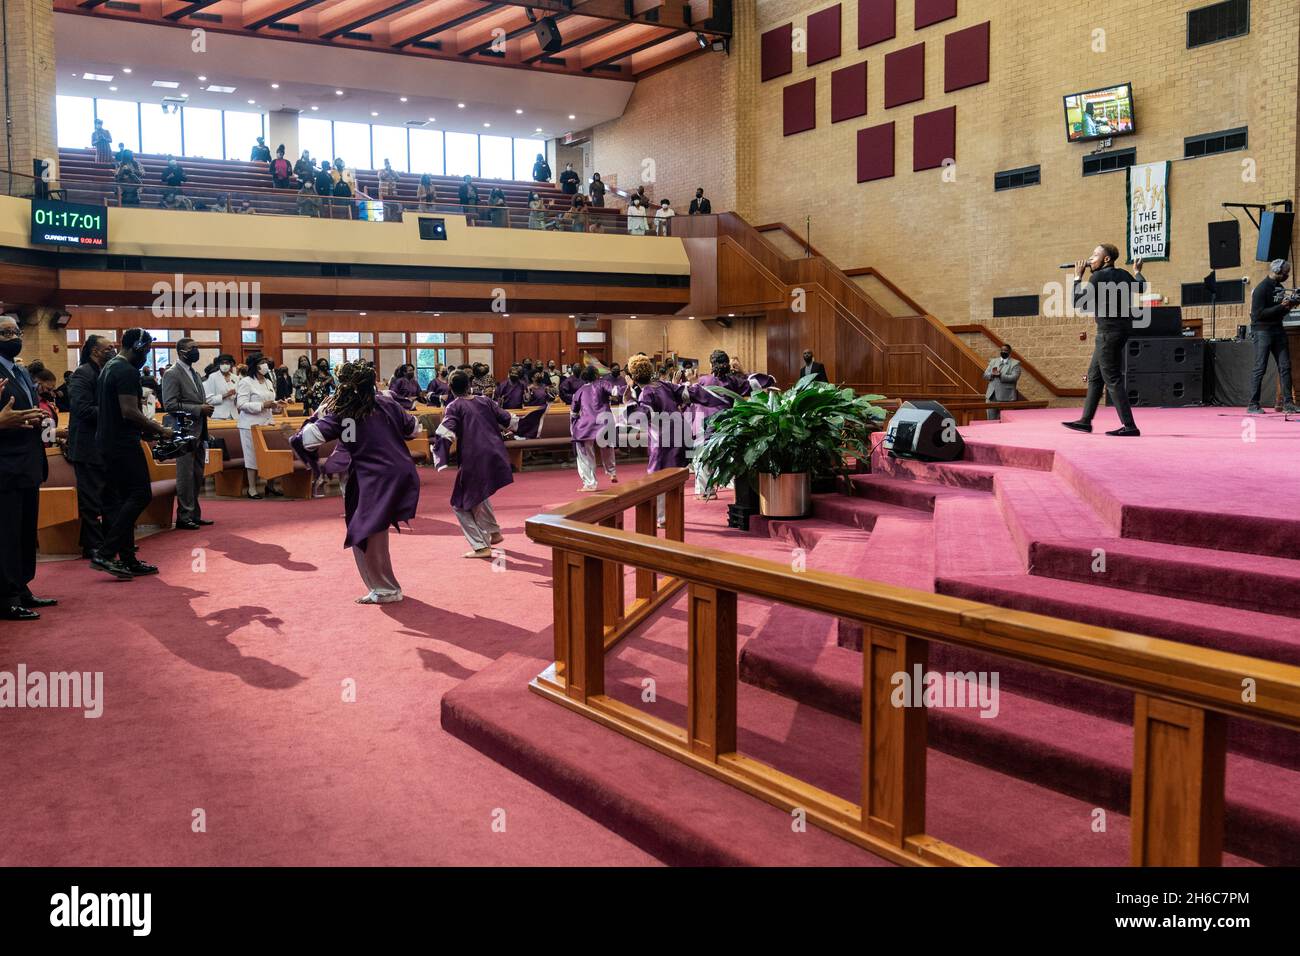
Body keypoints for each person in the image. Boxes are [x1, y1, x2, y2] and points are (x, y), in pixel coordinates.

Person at [293, 362, 420, 602]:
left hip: (371, 476)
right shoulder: (386, 403)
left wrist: (317, 417)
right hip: (398, 470)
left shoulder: (343, 410)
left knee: (366, 529)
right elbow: (413, 429)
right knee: (373, 528)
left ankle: (385, 589)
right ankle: (384, 586)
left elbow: (308, 440)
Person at [93, 328, 174, 580]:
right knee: (140, 494)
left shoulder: (110, 367)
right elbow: (129, 411)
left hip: (108, 442)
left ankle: (127, 559)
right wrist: (160, 429)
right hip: (122, 444)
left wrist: (147, 432)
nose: (147, 354)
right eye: (147, 349)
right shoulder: (126, 370)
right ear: (137, 347)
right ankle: (106, 553)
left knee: (123, 499)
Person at [0, 316, 57, 619]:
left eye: (16, 332)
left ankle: (22, 587)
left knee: (24, 531)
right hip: (6, 465)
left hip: (29, 461)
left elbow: (24, 410)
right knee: (7, 533)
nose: (13, 337)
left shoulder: (20, 370)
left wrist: (35, 418)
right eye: (5, 332)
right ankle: (6, 596)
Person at [1061, 245, 1146, 436]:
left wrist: (1077, 277)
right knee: (1095, 376)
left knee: (1112, 379)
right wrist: (1138, 272)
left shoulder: (1098, 277)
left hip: (1107, 333)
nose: (1090, 259)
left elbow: (1077, 302)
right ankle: (1085, 421)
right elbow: (1142, 287)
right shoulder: (1123, 274)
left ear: (1106, 259)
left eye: (1095, 255)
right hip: (1121, 331)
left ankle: (1130, 426)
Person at [435, 371, 516, 558]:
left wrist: (440, 455)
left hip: (475, 458)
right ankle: (494, 532)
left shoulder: (454, 406)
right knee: (480, 492)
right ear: (469, 384)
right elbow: (509, 420)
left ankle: (480, 546)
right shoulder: (485, 401)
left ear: (450, 387)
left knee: (459, 504)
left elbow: (445, 432)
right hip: (495, 454)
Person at [66, 335, 118, 559]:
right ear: (95, 351)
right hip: (87, 446)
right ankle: (92, 545)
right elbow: (83, 409)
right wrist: (115, 411)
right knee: (91, 499)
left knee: (110, 497)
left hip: (105, 445)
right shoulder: (82, 374)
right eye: (109, 348)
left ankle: (110, 542)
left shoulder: (107, 372)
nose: (113, 350)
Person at [161, 337, 215, 531]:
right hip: (183, 430)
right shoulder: (172, 374)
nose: (196, 351)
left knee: (197, 474)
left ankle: (194, 513)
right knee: (185, 474)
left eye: (197, 347)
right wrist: (198, 409)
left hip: (199, 431)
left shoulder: (194, 373)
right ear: (181, 351)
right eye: (193, 348)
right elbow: (170, 404)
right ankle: (184, 516)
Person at [628, 353, 687, 526]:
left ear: (632, 376)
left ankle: (662, 518)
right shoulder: (663, 384)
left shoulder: (646, 393)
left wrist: (629, 400)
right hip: (681, 432)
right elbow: (687, 394)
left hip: (663, 437)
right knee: (676, 474)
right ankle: (675, 513)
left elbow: (641, 418)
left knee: (657, 476)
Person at [689, 349, 749, 499]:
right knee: (729, 456)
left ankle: (706, 491)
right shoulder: (733, 381)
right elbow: (751, 385)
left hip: (706, 423)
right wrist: (741, 371)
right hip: (727, 422)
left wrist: (691, 382)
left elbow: (690, 395)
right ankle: (737, 487)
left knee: (702, 457)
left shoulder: (703, 380)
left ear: (711, 364)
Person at [1246, 259, 1299, 415]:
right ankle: (1253, 404)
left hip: (1278, 330)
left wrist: (1290, 304)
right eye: (1285, 273)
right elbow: (1258, 315)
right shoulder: (1262, 289)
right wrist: (1281, 306)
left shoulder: (1280, 288)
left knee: (1285, 367)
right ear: (1277, 272)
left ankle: (1288, 403)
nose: (1287, 276)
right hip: (1262, 331)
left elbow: (1280, 312)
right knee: (1260, 368)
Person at [236, 352, 286, 498]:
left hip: (267, 423)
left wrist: (278, 405)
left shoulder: (268, 382)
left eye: (266, 361)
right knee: (252, 456)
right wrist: (262, 405)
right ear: (255, 365)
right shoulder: (246, 382)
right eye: (262, 362)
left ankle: (270, 486)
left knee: (269, 456)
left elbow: (271, 403)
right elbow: (241, 404)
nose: (265, 365)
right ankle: (252, 488)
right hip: (250, 425)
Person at [570, 364, 618, 492]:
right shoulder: (603, 384)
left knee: (585, 454)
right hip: (605, 422)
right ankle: (611, 471)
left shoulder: (579, 391)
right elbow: (615, 391)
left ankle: (590, 483)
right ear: (597, 375)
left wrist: (573, 429)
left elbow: (574, 413)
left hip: (585, 425)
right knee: (608, 447)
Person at [983, 344, 1022, 420]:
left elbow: (1014, 377)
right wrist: (992, 374)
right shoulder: (993, 361)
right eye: (1002, 350)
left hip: (1006, 397)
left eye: (1006, 350)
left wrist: (1000, 375)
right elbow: (985, 375)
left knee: (1006, 421)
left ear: (1010, 352)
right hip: (991, 396)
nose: (1003, 352)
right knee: (991, 420)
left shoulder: (1015, 363)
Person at [204, 354, 238, 420]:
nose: (225, 365)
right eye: (222, 363)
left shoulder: (236, 378)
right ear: (219, 364)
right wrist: (225, 395)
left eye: (227, 363)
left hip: (234, 416)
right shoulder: (213, 377)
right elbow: (209, 400)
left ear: (231, 364)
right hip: (218, 416)